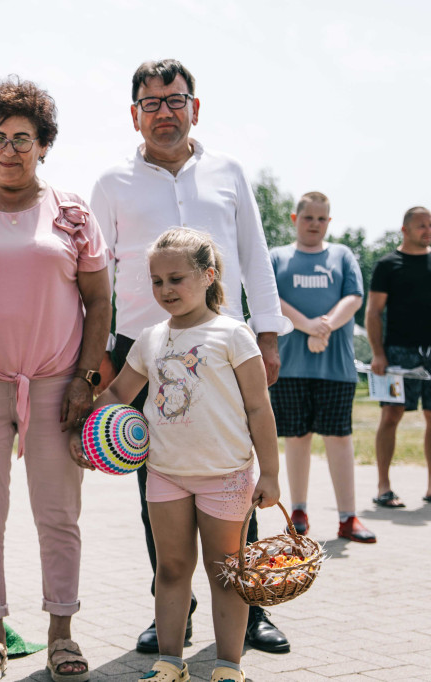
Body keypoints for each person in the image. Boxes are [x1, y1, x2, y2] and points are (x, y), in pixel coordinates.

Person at [90, 58, 293, 655]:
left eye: (174, 100)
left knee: (233, 469)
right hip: (142, 350)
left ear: (194, 107)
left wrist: (271, 332)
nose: (164, 112)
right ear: (135, 115)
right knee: (159, 476)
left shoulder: (229, 172)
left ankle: (250, 611)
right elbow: (98, 276)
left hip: (224, 343)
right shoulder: (111, 184)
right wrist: (100, 354)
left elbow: (255, 254)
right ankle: (170, 608)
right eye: (150, 103)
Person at [0, 77, 111, 682]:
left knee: (58, 513)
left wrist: (87, 380)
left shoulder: (72, 212)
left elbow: (98, 300)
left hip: (56, 382)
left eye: (23, 138)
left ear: (44, 146)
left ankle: (61, 632)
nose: (9, 149)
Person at [72, 228, 279, 682]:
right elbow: (118, 393)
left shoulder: (233, 334)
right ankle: (170, 662)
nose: (165, 290)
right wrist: (84, 432)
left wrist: (271, 474)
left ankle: (228, 666)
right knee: (171, 569)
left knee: (225, 572)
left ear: (208, 276)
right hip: (165, 474)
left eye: (176, 278)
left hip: (226, 476)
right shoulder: (150, 338)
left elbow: (259, 407)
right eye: (157, 281)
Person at [269, 192, 375, 542]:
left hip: (336, 366)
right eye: (308, 217)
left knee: (339, 439)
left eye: (321, 218)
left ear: (329, 222)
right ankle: (298, 512)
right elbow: (271, 301)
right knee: (297, 439)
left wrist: (324, 325)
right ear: (294, 218)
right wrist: (307, 326)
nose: (314, 224)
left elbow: (354, 297)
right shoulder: (277, 257)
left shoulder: (342, 255)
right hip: (292, 366)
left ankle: (348, 517)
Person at [366, 206, 431, 508]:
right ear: (404, 230)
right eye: (421, 226)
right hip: (397, 354)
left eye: (430, 225)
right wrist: (378, 353)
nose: (427, 230)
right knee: (391, 416)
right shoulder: (387, 265)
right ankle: (383, 488)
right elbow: (373, 312)